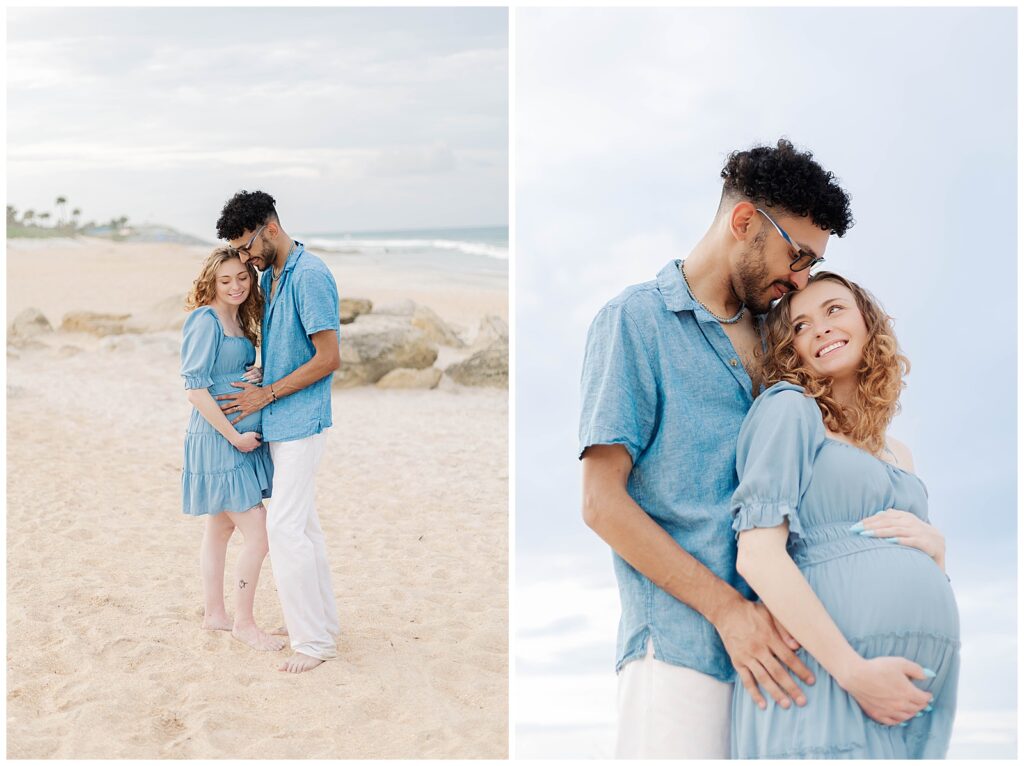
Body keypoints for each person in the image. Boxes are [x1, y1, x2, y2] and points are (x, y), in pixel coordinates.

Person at [579, 139, 860, 758]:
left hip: (781, 665)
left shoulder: (781, 338)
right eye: (798, 255)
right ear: (744, 223)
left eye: (812, 264)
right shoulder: (634, 322)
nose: (802, 279)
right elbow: (601, 503)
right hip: (680, 657)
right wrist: (730, 613)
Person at [730, 272, 959, 758]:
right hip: (827, 681)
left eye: (834, 309)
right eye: (800, 326)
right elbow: (757, 556)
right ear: (792, 350)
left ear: (868, 321)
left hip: (909, 702)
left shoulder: (898, 453)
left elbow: (910, 570)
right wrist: (854, 672)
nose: (820, 329)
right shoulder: (790, 410)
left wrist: (936, 555)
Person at [214, 190, 342, 674]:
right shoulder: (274, 275)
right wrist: (262, 371)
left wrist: (266, 394)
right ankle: (321, 627)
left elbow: (328, 358)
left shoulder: (309, 276)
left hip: (301, 420)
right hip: (281, 419)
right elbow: (290, 348)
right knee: (303, 528)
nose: (245, 259)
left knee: (285, 529)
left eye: (246, 247)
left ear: (270, 229)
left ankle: (313, 643)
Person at [180, 246, 284, 652]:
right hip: (220, 440)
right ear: (212, 282)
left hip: (235, 440)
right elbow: (195, 389)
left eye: (242, 277)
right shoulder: (204, 320)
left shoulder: (238, 318)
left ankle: (215, 615)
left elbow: (225, 371)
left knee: (220, 528)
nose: (236, 286)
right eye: (225, 280)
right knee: (260, 535)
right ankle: (244, 622)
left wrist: (253, 372)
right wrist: (234, 437)